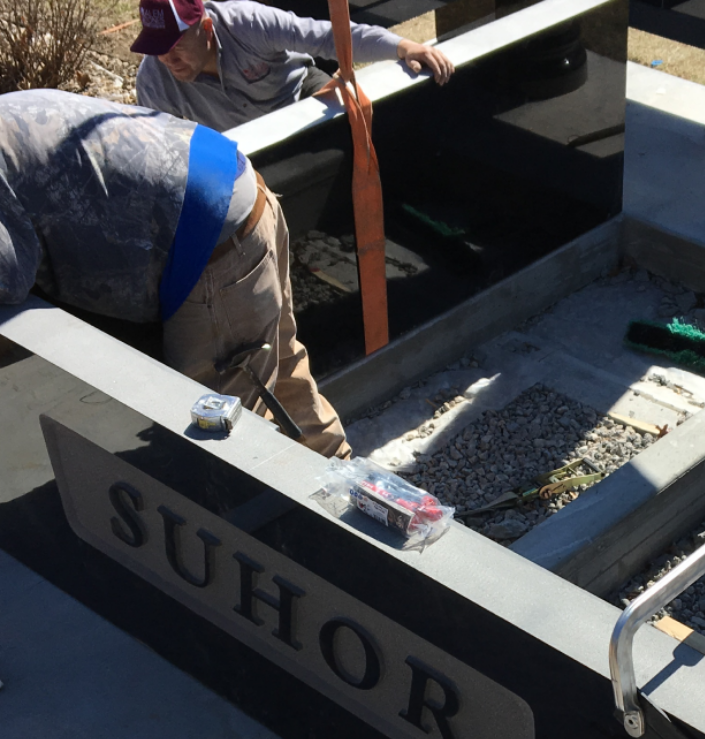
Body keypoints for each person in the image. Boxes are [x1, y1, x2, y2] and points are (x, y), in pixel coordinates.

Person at [0, 89, 350, 458]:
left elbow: (7, 280)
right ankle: (343, 486)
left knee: (217, 431)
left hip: (209, 240)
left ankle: (268, 512)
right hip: (233, 184)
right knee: (278, 362)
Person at [132, 0, 454, 132]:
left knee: (358, 124)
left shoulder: (249, 23)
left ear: (205, 28)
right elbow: (167, 148)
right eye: (158, 49)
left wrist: (402, 47)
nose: (167, 59)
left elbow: (329, 37)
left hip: (299, 92)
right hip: (241, 139)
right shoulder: (153, 80)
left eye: (176, 47)